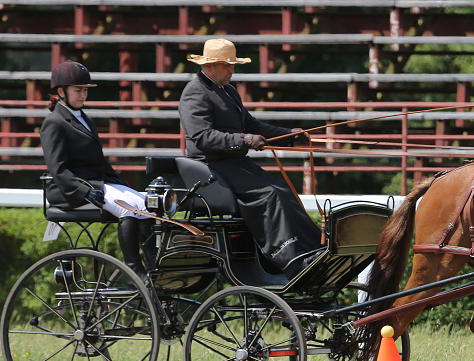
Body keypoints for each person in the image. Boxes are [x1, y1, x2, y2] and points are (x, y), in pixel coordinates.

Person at [178, 38, 324, 279]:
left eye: (232, 65)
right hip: (211, 168)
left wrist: (288, 136)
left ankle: (312, 251)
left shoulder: (228, 91)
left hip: (235, 164)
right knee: (272, 195)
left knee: (285, 191)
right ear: (210, 66)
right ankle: (291, 259)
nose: (232, 70)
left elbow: (251, 124)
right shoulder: (194, 93)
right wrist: (244, 140)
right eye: (227, 66)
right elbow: (202, 137)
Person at [41, 60, 155, 283]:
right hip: (69, 190)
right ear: (61, 92)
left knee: (145, 204)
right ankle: (135, 271)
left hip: (96, 184)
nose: (83, 95)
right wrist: (83, 191)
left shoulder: (83, 118)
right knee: (127, 209)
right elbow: (57, 169)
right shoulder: (54, 123)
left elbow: (98, 161)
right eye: (79, 90)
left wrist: (120, 183)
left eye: (85, 90)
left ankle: (153, 266)